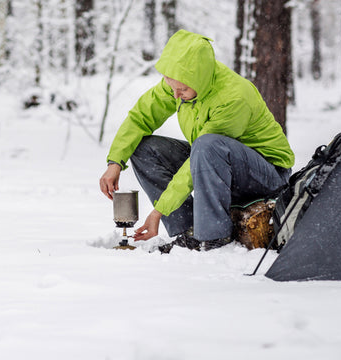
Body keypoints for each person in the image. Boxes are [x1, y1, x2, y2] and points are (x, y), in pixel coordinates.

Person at [99, 30, 294, 252]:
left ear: (199, 79)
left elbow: (202, 155)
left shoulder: (233, 98)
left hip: (266, 176)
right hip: (215, 160)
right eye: (171, 88)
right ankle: (188, 229)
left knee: (207, 145)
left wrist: (159, 210)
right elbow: (141, 117)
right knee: (145, 149)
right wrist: (115, 162)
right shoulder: (179, 84)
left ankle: (212, 237)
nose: (175, 95)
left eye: (182, 90)